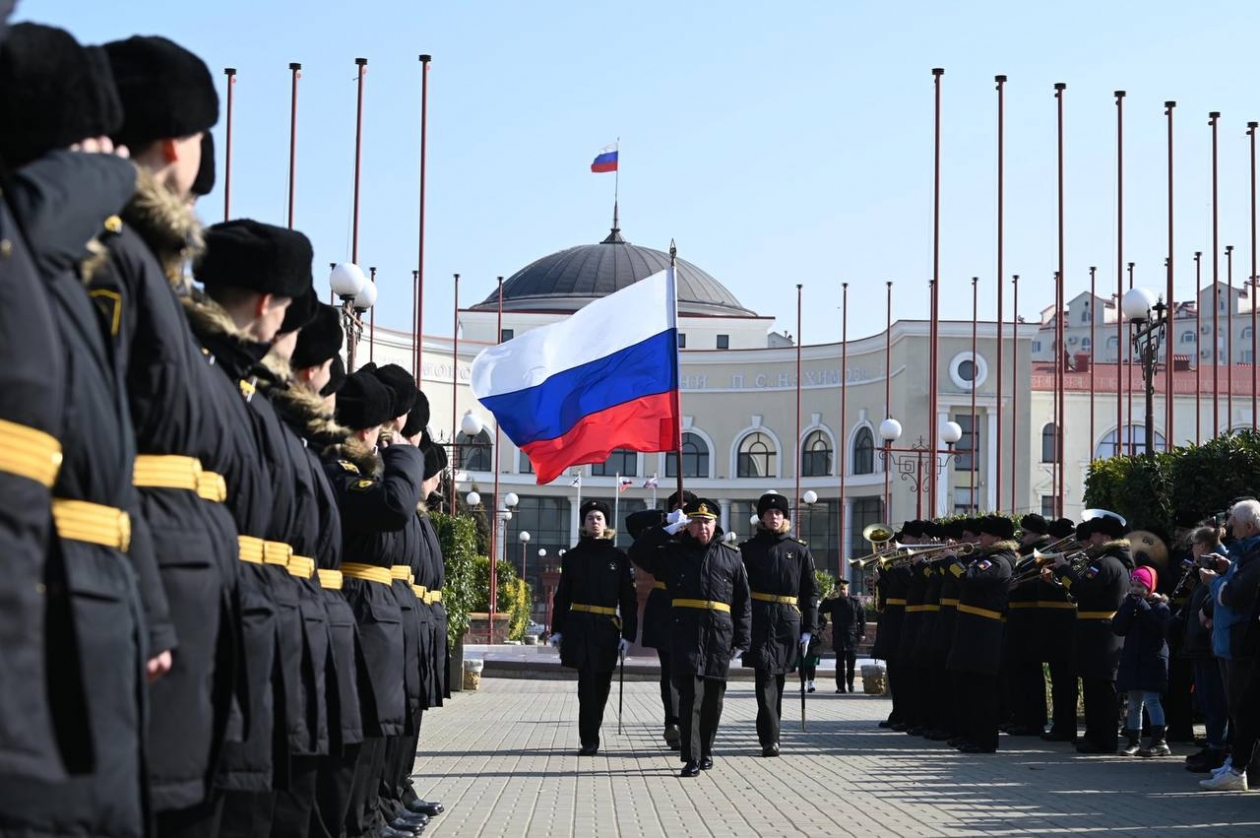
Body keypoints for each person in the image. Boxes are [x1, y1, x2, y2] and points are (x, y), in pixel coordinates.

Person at [0, 24, 167, 838]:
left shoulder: (53, 275)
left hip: (88, 591)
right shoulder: (45, 252)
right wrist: (107, 172)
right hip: (49, 594)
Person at [324, 369, 426, 838]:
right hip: (357, 604)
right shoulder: (338, 470)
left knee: (375, 729)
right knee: (360, 732)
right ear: (367, 429)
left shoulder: (354, 469)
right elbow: (392, 506)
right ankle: (358, 821)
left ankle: (368, 816)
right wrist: (404, 454)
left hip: (377, 607)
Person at [628, 498, 751, 778]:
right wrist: (667, 528)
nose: (702, 528)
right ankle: (691, 756)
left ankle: (706, 750)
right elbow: (637, 553)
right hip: (683, 631)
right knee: (689, 696)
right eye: (695, 522)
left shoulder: (731, 555)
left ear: (715, 524)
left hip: (719, 634)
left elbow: (743, 601)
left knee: (713, 698)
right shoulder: (672, 553)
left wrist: (742, 639)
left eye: (706, 522)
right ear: (689, 526)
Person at [550, 500, 638, 755]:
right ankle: (589, 739)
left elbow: (629, 601)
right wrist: (557, 629)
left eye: (599, 517)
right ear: (584, 523)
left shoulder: (619, 558)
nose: (595, 521)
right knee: (586, 684)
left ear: (606, 523)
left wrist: (628, 635)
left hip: (606, 629)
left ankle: (594, 728)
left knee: (602, 684)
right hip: (579, 627)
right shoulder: (573, 557)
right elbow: (563, 595)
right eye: (590, 517)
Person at [738, 492, 818, 757]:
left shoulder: (798, 550)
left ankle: (773, 731)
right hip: (759, 618)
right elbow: (739, 591)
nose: (774, 517)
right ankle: (769, 739)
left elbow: (810, 592)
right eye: (770, 513)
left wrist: (810, 628)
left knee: (779, 678)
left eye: (779, 513)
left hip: (787, 620)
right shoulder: (748, 550)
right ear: (761, 517)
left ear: (785, 518)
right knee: (765, 678)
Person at [1049, 512, 1132, 754]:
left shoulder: (1105, 563)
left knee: (1101, 691)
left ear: (1105, 537)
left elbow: (1081, 589)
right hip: (1097, 633)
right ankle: (1095, 736)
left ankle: (1103, 739)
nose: (1090, 540)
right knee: (1095, 688)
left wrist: (1064, 569)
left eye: (1094, 535)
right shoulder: (1111, 561)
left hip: (1101, 634)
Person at [626, 489, 696, 750]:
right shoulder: (661, 540)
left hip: (694, 611)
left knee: (693, 671)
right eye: (679, 508)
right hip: (665, 607)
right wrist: (666, 520)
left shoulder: (700, 537)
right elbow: (633, 527)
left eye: (688, 508)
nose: (684, 512)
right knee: (670, 670)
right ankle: (673, 722)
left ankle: (692, 724)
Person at [946, 515, 1016, 753]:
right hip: (972, 629)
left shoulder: (998, 561)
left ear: (996, 538)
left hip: (983, 632)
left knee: (981, 690)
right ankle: (969, 735)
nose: (980, 538)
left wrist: (952, 561)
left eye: (984, 535)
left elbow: (968, 579)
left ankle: (984, 740)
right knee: (966, 685)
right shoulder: (986, 558)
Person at [1201, 498, 1260, 783]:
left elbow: (1235, 595)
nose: (1229, 528)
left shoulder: (1255, 555)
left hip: (1243, 641)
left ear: (1249, 526)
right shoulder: (1245, 553)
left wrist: (1213, 581)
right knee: (1239, 707)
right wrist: (1227, 570)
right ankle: (1236, 764)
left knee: (1243, 707)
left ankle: (1241, 767)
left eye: (1234, 524)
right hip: (1233, 640)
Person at [1181, 525, 1229, 773]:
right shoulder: (1200, 569)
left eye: (1195, 545)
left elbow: (1220, 594)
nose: (1192, 549)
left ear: (1204, 546)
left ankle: (1217, 750)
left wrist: (1207, 613)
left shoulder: (1217, 567)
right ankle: (1212, 746)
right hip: (1200, 646)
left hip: (1209, 646)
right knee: (1206, 700)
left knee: (1214, 701)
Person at [1114, 565, 1172, 757]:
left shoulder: (1160, 608)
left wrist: (1144, 606)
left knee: (1152, 700)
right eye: (1133, 585)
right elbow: (1119, 628)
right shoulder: (1131, 606)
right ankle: (1134, 741)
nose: (1135, 589)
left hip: (1152, 661)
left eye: (1140, 586)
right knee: (1134, 703)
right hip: (1133, 660)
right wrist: (1127, 607)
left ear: (1149, 588)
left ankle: (1159, 741)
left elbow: (1158, 630)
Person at [1005, 514, 1052, 737]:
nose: (1021, 539)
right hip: (1018, 617)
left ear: (1036, 534)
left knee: (1029, 672)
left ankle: (1032, 720)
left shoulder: (1043, 551)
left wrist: (1018, 587)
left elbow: (1041, 582)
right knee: (1018, 671)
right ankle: (1021, 716)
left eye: (1024, 534)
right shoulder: (1025, 554)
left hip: (1030, 618)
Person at [1040, 517, 1080, 743]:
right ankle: (1060, 723)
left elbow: (1075, 589)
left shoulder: (1074, 558)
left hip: (1068, 624)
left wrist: (1056, 579)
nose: (1052, 543)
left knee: (1066, 679)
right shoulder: (1061, 557)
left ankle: (1067, 726)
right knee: (1058, 678)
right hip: (1056, 625)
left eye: (1055, 539)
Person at [825, 579, 865, 693]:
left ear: (847, 589)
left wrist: (862, 632)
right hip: (839, 636)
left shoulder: (855, 602)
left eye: (844, 588)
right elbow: (821, 609)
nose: (842, 591)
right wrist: (828, 598)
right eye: (840, 589)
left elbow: (862, 618)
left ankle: (851, 685)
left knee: (851, 664)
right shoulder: (834, 602)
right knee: (839, 665)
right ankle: (840, 687)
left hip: (852, 636)